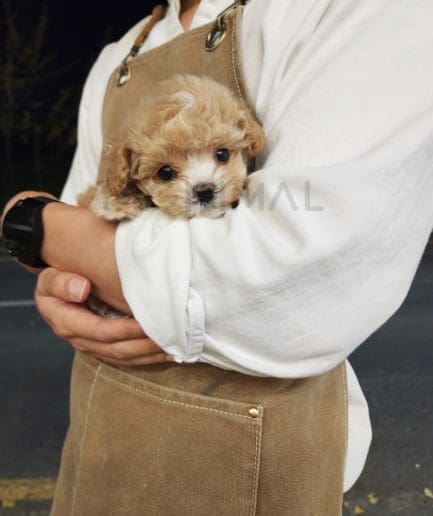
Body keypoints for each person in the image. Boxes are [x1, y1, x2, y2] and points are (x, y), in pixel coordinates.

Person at [2, 0, 433, 514]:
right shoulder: (116, 58)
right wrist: (59, 270)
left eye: (222, 155)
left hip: (251, 463)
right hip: (100, 430)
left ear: (245, 138)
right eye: (166, 172)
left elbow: (282, 277)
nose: (204, 183)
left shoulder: (356, 10)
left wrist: (33, 221)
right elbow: (87, 214)